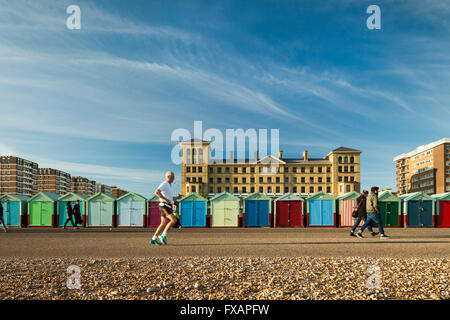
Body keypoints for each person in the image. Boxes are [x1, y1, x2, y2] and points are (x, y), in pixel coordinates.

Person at [150, 171, 182, 245]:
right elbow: (157, 192)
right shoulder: (164, 184)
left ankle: (153, 238)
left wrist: (178, 197)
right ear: (168, 177)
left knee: (163, 223)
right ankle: (163, 235)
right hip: (164, 205)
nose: (174, 178)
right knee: (174, 220)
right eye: (173, 177)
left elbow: (171, 199)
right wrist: (165, 199)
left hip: (167, 205)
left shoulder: (169, 186)